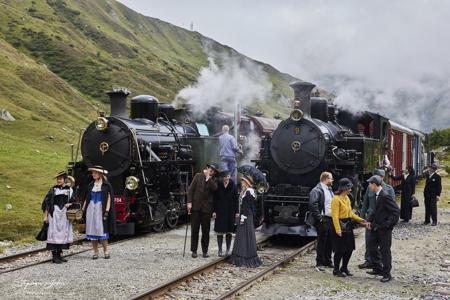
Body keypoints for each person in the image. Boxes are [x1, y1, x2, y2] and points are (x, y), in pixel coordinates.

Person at [358, 169, 396, 269]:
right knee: (370, 241)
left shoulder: (389, 189)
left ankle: (382, 264)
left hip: (382, 221)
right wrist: (362, 218)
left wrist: (389, 223)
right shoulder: (370, 188)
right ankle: (369, 260)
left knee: (384, 245)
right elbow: (365, 203)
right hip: (371, 219)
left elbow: (393, 208)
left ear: (382, 177)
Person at [366, 175, 400, 282]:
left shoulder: (385, 196)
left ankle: (387, 274)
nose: (369, 186)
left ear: (375, 185)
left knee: (385, 251)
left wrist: (388, 224)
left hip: (384, 229)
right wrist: (369, 221)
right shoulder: (378, 194)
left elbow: (396, 211)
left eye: (370, 184)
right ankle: (377, 268)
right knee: (372, 246)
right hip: (376, 227)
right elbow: (376, 211)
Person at [331, 178, 368, 277]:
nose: (350, 190)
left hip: (348, 225)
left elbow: (350, 213)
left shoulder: (347, 198)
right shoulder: (336, 199)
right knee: (340, 250)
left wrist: (360, 220)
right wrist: (338, 229)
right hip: (340, 225)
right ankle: (336, 269)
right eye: (349, 188)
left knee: (349, 249)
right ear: (344, 188)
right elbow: (334, 216)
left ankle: (344, 267)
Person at [229, 174, 262, 267]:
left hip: (246, 216)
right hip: (247, 215)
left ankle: (244, 256)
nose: (242, 182)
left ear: (247, 182)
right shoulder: (247, 191)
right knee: (245, 235)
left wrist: (242, 217)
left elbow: (246, 207)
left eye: (243, 181)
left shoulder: (248, 192)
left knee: (244, 235)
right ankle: (244, 255)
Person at [82, 166, 115, 259]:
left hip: (101, 209)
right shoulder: (90, 185)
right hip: (91, 209)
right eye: (93, 173)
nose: (93, 174)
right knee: (92, 231)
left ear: (100, 174)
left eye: (95, 173)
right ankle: (95, 252)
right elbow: (87, 199)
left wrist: (107, 211)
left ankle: (106, 251)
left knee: (102, 231)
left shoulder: (106, 185)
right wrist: (82, 210)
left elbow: (109, 199)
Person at [42, 171, 74, 263]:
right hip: (54, 213)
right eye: (58, 179)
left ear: (64, 179)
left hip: (64, 214)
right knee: (54, 233)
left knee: (63, 233)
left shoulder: (70, 190)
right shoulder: (53, 190)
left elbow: (74, 201)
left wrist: (70, 204)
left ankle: (59, 255)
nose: (59, 180)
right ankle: (54, 256)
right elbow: (47, 204)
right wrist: (46, 216)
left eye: (60, 179)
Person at [187, 163, 219, 258]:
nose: (212, 171)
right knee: (194, 230)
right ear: (207, 168)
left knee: (206, 231)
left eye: (213, 171)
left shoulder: (214, 180)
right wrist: (189, 202)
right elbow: (190, 190)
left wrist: (208, 178)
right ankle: (194, 250)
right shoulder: (198, 176)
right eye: (211, 169)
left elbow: (215, 189)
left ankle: (205, 251)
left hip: (206, 209)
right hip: (196, 207)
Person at [308, 171, 334, 271]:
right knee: (322, 241)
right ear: (326, 179)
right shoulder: (317, 190)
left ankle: (327, 260)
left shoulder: (329, 189)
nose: (332, 180)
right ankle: (319, 262)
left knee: (330, 241)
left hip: (330, 218)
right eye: (331, 178)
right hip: (323, 218)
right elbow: (312, 204)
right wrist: (319, 217)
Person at [213, 170, 239, 257]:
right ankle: (220, 250)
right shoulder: (218, 185)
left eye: (227, 176)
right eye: (224, 177)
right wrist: (214, 211)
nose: (226, 178)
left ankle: (228, 250)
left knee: (229, 231)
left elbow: (236, 199)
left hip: (230, 211)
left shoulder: (233, 186)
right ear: (222, 178)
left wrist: (237, 212)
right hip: (220, 210)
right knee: (219, 231)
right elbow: (215, 199)